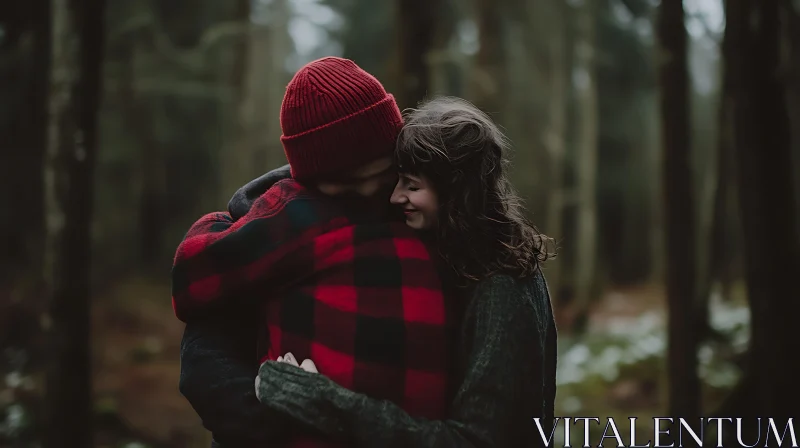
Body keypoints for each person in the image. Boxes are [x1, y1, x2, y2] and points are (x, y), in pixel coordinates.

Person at [173, 58, 460, 447]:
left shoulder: (426, 207)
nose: (373, 193)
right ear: (309, 179)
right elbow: (196, 275)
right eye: (346, 184)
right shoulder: (293, 219)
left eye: (382, 174)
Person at [254, 96, 558, 447]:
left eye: (412, 186)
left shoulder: (502, 289)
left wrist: (320, 401)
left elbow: (476, 440)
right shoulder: (460, 255)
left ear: (458, 193)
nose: (395, 197)